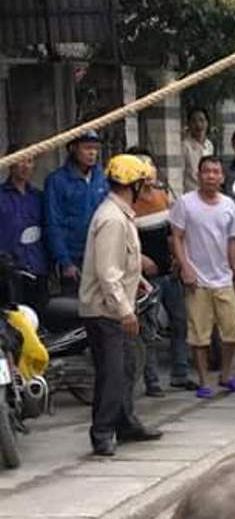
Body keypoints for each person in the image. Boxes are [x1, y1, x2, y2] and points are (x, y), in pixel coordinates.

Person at [78, 154, 163, 456]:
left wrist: (137, 279)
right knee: (112, 372)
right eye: (143, 183)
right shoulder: (112, 219)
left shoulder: (120, 213)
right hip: (107, 311)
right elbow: (107, 273)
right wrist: (125, 311)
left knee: (126, 368)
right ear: (133, 185)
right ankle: (102, 432)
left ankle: (125, 422)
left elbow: (120, 263)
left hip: (115, 306)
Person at [170, 156, 235, 397]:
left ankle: (225, 374)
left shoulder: (228, 205)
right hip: (197, 280)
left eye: (215, 172)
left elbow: (232, 242)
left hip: (223, 278)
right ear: (198, 175)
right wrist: (185, 267)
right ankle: (204, 381)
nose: (211, 176)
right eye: (206, 171)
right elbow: (176, 238)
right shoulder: (185, 203)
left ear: (222, 177)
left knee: (232, 331)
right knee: (199, 335)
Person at [128, 148, 196, 396]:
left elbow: (173, 234)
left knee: (180, 322)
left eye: (150, 164)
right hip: (147, 276)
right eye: (141, 165)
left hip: (169, 271)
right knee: (149, 330)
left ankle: (180, 373)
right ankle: (152, 380)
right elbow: (125, 242)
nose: (147, 170)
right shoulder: (129, 203)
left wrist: (179, 260)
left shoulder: (162, 196)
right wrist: (140, 262)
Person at [44, 129, 108, 293]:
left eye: (95, 148)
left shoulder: (102, 178)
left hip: (100, 254)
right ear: (73, 148)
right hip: (73, 258)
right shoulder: (57, 181)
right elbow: (53, 223)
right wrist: (65, 261)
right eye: (87, 148)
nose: (92, 153)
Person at [0, 147, 50, 315]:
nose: (25, 166)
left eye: (29, 161)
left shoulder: (39, 197)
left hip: (38, 269)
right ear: (9, 162)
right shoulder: (2, 196)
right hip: (8, 273)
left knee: (39, 318)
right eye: (21, 160)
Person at [182, 107, 214, 194]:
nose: (198, 125)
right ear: (188, 124)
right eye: (194, 121)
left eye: (202, 120)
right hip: (191, 193)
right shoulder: (184, 146)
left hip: (208, 192)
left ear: (207, 123)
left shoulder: (209, 145)